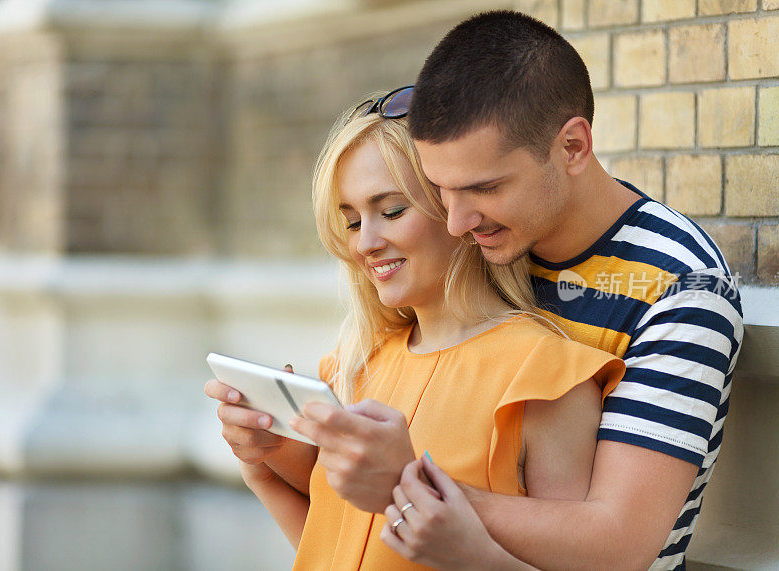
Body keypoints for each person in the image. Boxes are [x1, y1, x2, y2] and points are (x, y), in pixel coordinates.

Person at [377, 10, 742, 571]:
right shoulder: (478, 250)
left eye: (485, 188)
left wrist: (409, 487)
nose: (455, 222)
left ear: (573, 146)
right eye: (440, 190)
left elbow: (618, 542)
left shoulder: (682, 288)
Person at [206, 90, 625, 569]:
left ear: (458, 210)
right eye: (349, 220)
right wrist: (265, 465)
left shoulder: (548, 377)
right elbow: (338, 549)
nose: (365, 242)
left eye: (391, 212)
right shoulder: (355, 367)